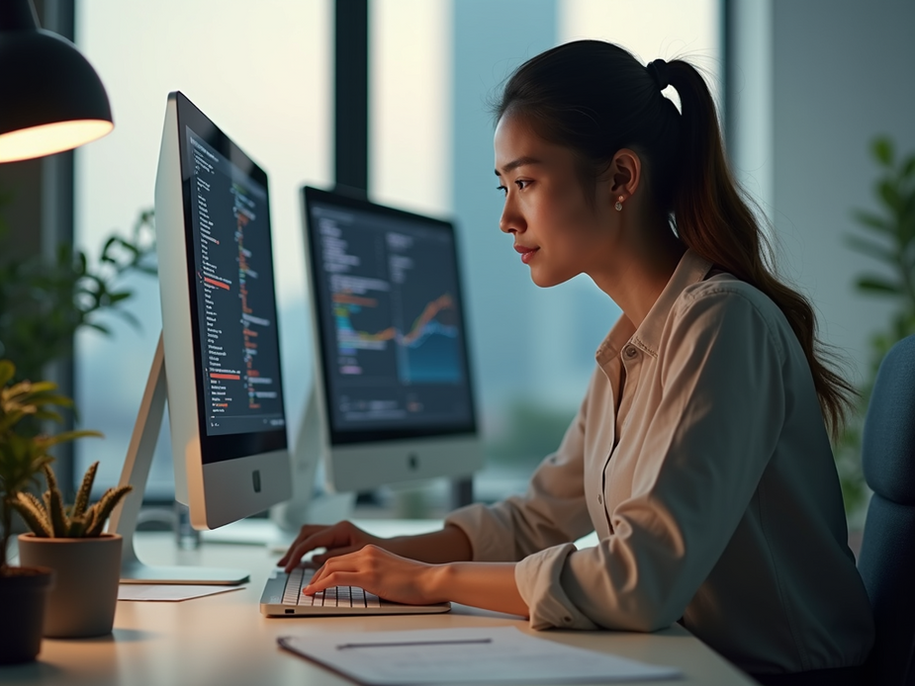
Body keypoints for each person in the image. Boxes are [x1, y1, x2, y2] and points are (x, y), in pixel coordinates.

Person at [279, 40, 874, 685]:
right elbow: (536, 518)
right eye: (505, 187)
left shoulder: (721, 323)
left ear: (620, 177)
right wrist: (384, 550)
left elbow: (640, 581)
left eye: (527, 183)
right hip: (692, 663)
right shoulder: (632, 344)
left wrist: (430, 581)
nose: (507, 218)